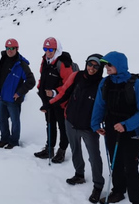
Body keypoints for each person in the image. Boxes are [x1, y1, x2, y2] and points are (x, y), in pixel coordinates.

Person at [91, 52, 139, 204]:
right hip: (112, 128)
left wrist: (126, 125)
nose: (106, 68)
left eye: (109, 64)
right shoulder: (105, 83)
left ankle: (138, 200)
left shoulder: (137, 85)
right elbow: (99, 104)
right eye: (105, 64)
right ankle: (118, 191)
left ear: (119, 65)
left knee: (130, 167)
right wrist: (96, 124)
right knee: (115, 162)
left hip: (132, 132)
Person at [50, 54, 105, 203]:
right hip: (71, 121)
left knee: (94, 157)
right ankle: (79, 174)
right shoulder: (77, 76)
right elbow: (64, 92)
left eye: (95, 66)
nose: (91, 68)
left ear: (100, 68)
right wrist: (50, 103)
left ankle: (98, 185)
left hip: (89, 127)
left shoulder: (102, 84)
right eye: (90, 64)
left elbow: (104, 107)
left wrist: (103, 123)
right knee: (75, 150)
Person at [35, 37, 76, 163]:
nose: (48, 52)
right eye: (45, 49)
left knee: (62, 126)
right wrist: (40, 88)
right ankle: (49, 148)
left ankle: (62, 150)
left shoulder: (63, 63)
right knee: (50, 124)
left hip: (61, 102)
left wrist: (55, 92)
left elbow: (69, 84)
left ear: (56, 49)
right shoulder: (45, 61)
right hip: (48, 101)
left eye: (50, 49)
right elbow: (43, 76)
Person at [0, 38, 35, 149]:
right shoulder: (3, 59)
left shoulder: (21, 64)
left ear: (17, 49)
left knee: (15, 121)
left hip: (14, 99)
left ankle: (13, 141)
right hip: (3, 97)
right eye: (7, 48)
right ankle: (4, 139)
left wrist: (20, 92)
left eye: (12, 48)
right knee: (2, 119)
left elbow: (31, 81)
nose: (9, 50)